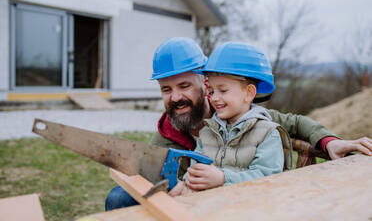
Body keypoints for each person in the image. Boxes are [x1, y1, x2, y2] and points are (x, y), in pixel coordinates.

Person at [105, 37, 372, 210]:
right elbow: (158, 178)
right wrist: (175, 187)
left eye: (184, 85)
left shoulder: (243, 116)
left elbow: (295, 123)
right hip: (197, 202)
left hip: (243, 201)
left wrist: (330, 142)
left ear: (204, 82)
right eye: (166, 89)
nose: (175, 97)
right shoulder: (167, 133)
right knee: (118, 197)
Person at [172, 42, 287, 195]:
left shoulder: (267, 133)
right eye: (211, 91)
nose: (214, 98)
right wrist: (188, 184)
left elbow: (269, 178)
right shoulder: (207, 132)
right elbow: (196, 170)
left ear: (248, 93)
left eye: (223, 90)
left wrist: (223, 178)